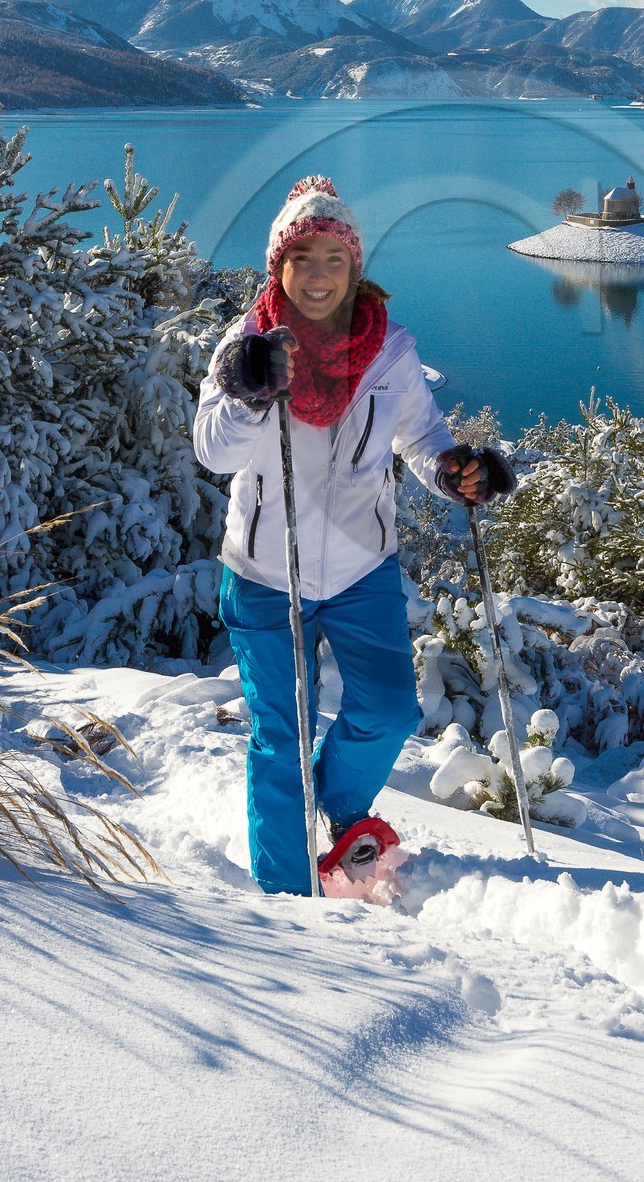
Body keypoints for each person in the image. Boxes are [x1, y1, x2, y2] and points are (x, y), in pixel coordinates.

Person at [193, 175, 514, 895]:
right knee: (282, 738)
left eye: (333, 260)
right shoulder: (244, 346)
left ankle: (340, 809)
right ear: (278, 265)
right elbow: (213, 452)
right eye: (301, 258)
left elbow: (422, 438)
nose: (317, 275)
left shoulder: (389, 349)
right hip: (264, 572)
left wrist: (457, 469)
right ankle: (286, 897)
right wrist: (247, 393)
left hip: (362, 566)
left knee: (387, 710)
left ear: (355, 269)